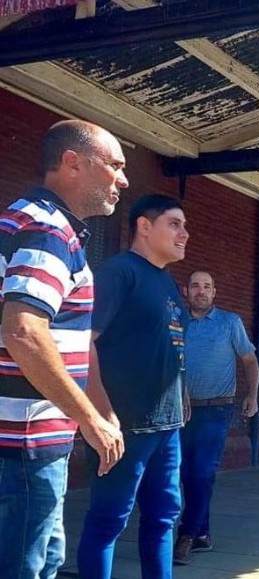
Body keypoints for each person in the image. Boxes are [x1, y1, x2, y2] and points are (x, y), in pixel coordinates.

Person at [0, 120, 127, 578]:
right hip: (23, 447)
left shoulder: (34, 221)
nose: (123, 179)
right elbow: (25, 331)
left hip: (29, 444)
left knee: (45, 562)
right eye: (114, 165)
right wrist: (90, 418)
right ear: (73, 162)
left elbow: (57, 337)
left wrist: (95, 407)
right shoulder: (48, 231)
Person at [77, 194, 190, 579]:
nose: (184, 234)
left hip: (167, 427)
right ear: (144, 226)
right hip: (125, 426)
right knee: (109, 520)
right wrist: (102, 414)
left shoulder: (168, 282)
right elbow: (83, 343)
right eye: (174, 223)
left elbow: (171, 346)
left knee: (163, 519)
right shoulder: (119, 273)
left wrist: (182, 398)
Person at [173, 270, 259, 565]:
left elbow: (249, 359)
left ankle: (185, 536)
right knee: (188, 474)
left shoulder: (229, 323)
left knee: (202, 472)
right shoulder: (177, 321)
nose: (201, 291)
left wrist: (252, 394)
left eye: (206, 286)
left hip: (216, 408)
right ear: (186, 291)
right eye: (195, 285)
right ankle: (203, 534)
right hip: (180, 410)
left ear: (214, 292)